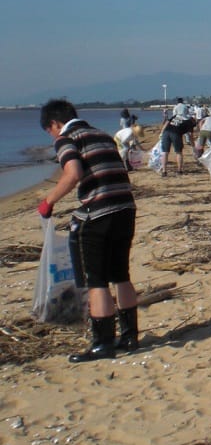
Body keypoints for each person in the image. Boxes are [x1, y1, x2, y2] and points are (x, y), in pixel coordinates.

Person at [38, 100, 140, 362]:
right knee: (120, 274)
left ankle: (102, 343)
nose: (52, 136)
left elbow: (72, 173)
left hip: (98, 213)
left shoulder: (66, 138)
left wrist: (48, 201)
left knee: (96, 280)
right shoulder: (102, 135)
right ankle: (129, 337)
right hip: (125, 208)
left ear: (54, 124)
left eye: (49, 130)